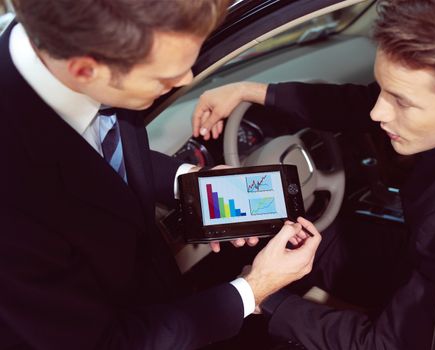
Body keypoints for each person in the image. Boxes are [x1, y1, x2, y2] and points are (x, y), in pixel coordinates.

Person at [0, 1, 322, 349]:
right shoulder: (13, 203)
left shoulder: (85, 57)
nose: (184, 81)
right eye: (164, 78)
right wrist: (252, 289)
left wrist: (187, 180)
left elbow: (101, 156)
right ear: (85, 70)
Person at [191, 0, 435, 348]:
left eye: (402, 102)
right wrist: (250, 91)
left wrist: (264, 297)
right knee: (301, 230)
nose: (379, 111)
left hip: (431, 301)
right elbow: (356, 105)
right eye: (382, 88)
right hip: (410, 257)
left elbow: (385, 344)